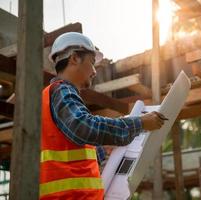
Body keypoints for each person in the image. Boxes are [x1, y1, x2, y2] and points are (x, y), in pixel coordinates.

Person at [40, 32, 166, 200]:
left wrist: (103, 148)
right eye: (92, 63)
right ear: (75, 58)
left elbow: (74, 147)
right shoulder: (62, 90)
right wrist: (139, 124)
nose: (94, 71)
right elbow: (84, 127)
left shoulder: (52, 96)